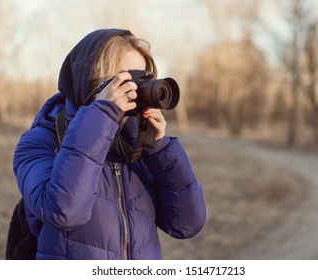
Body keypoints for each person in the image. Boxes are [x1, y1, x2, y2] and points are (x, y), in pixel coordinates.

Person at [13, 28, 206, 260]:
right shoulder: (41, 141)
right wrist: (102, 116)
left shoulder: (137, 148)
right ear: (89, 81)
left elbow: (188, 223)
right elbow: (65, 211)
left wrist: (159, 148)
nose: (135, 90)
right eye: (125, 79)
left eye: (143, 79)